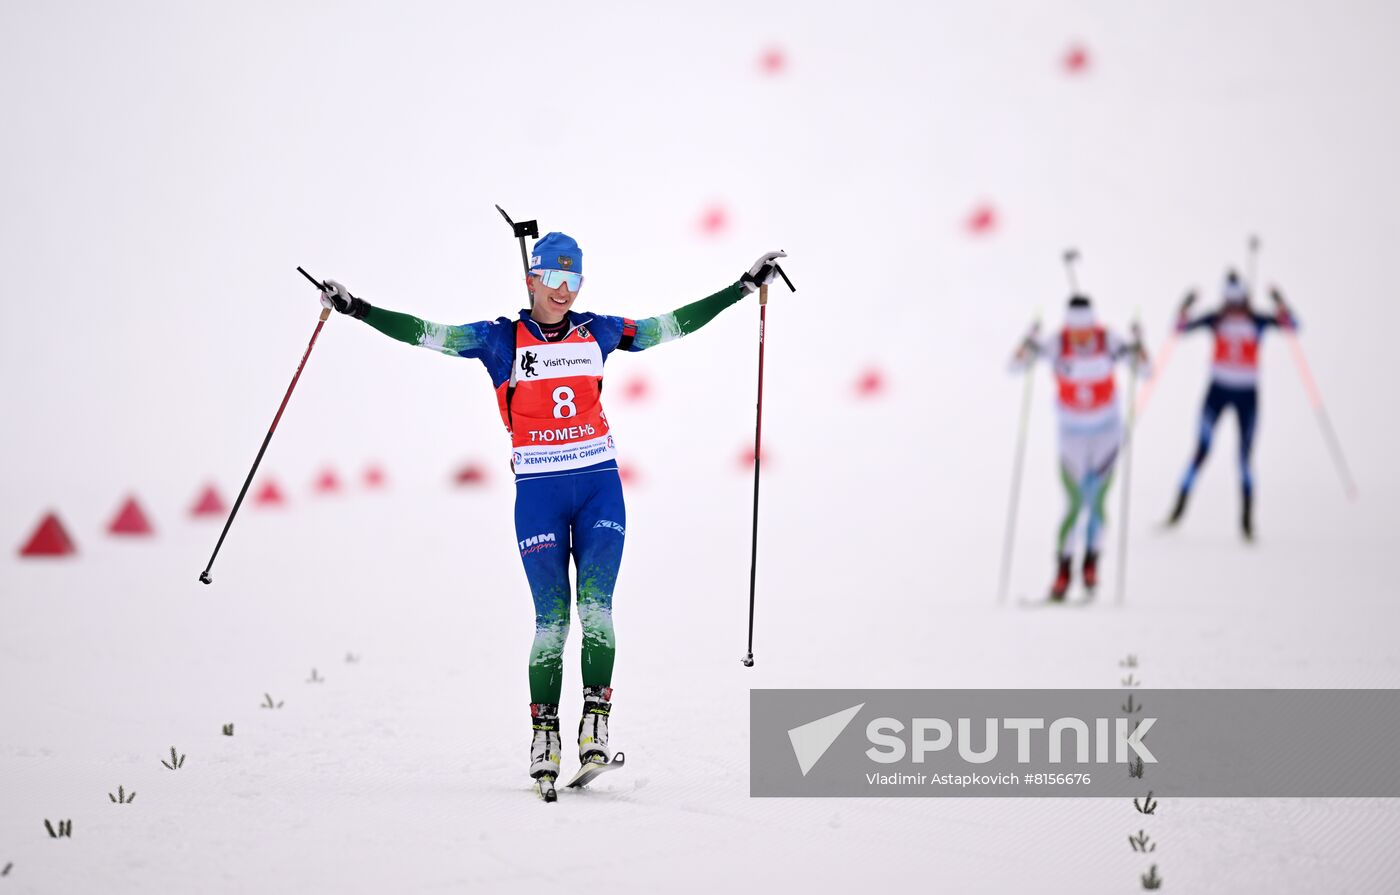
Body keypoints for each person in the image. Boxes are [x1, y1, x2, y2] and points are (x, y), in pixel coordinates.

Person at [317, 232, 787, 795]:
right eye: (554, 279)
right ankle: (545, 736)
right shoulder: (498, 341)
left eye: (574, 279)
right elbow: (427, 334)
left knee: (597, 609)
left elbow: (670, 325)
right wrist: (356, 309)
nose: (563, 291)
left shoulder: (601, 331)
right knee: (552, 623)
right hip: (538, 494)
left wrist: (741, 289)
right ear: (531, 279)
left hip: (598, 488)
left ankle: (595, 724)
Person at [1011, 295, 1148, 601]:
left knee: (1097, 501)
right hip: (1071, 433)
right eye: (1075, 331)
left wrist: (1139, 346)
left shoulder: (1108, 339)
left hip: (1106, 433)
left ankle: (1091, 565)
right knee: (1073, 504)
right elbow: (1015, 366)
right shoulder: (1057, 342)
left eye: (1085, 330)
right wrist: (1028, 342)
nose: (1080, 337)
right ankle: (1062, 572)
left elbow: (1145, 370)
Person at [1165, 270, 1297, 540]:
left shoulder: (1257, 320)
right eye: (1230, 303)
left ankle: (1247, 522)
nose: (1234, 309)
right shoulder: (1216, 319)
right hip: (1217, 392)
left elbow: (1293, 326)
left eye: (1238, 303)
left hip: (1247, 395)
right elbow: (1178, 329)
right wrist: (1185, 304)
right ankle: (1177, 510)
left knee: (1245, 458)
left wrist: (1280, 302)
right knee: (1201, 451)